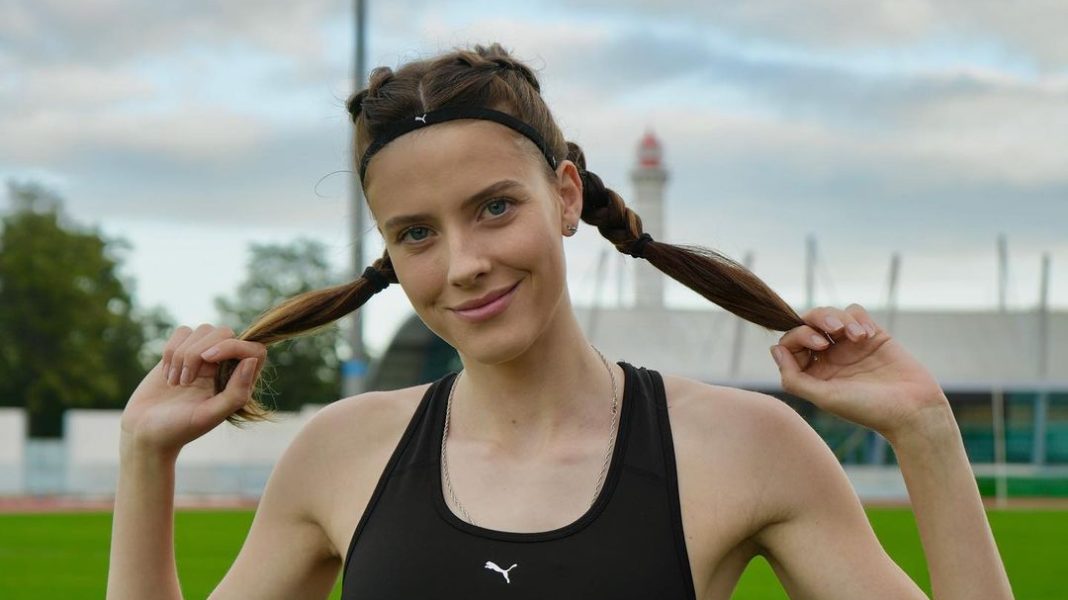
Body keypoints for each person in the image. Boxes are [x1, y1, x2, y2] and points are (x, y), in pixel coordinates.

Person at [107, 43, 1013, 599]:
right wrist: (146, 458)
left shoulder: (746, 446)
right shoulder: (338, 454)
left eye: (495, 207)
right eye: (416, 233)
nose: (463, 262)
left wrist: (926, 430)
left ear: (567, 195)